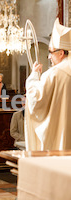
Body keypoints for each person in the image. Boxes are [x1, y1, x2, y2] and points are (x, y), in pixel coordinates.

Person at [25, 18, 71, 150]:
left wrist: (33, 77)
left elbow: (36, 100)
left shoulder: (55, 73)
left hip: (59, 140)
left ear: (61, 53)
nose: (49, 57)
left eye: (51, 52)